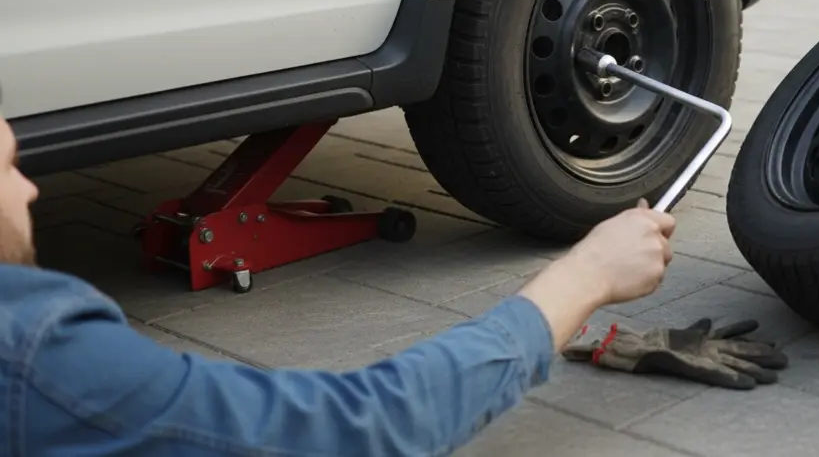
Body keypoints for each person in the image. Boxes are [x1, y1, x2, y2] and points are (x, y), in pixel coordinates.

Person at [0, 107, 681, 456]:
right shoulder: (32, 363)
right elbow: (354, 428)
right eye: (5, 166)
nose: (30, 188)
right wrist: (580, 279)